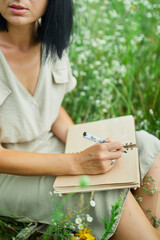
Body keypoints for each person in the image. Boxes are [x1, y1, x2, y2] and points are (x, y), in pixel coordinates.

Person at [0, 0, 160, 239]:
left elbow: (49, 108)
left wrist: (83, 144)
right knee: (97, 189)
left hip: (51, 149)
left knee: (144, 146)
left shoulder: (53, 42)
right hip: (8, 175)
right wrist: (76, 163)